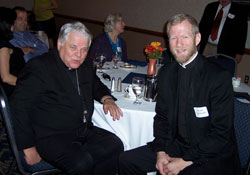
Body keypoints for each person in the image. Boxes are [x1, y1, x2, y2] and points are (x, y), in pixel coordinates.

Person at [119, 14, 237, 175]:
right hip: (177, 145)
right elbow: (162, 118)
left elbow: (220, 134)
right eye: (173, 38)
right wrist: (160, 152)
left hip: (210, 153)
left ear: (197, 39)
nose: (179, 44)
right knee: (126, 161)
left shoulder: (218, 77)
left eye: (185, 37)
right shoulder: (167, 72)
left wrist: (183, 162)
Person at [10, 21, 124, 175]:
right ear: (60, 44)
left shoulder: (85, 64)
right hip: (49, 135)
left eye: (84, 49)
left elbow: (94, 84)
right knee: (82, 162)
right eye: (73, 47)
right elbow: (19, 107)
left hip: (81, 129)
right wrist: (28, 148)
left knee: (114, 145)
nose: (79, 54)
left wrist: (107, 98)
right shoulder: (39, 67)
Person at [0, 7, 25, 97]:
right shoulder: (3, 47)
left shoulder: (4, 43)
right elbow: (6, 77)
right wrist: (27, 84)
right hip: (12, 92)